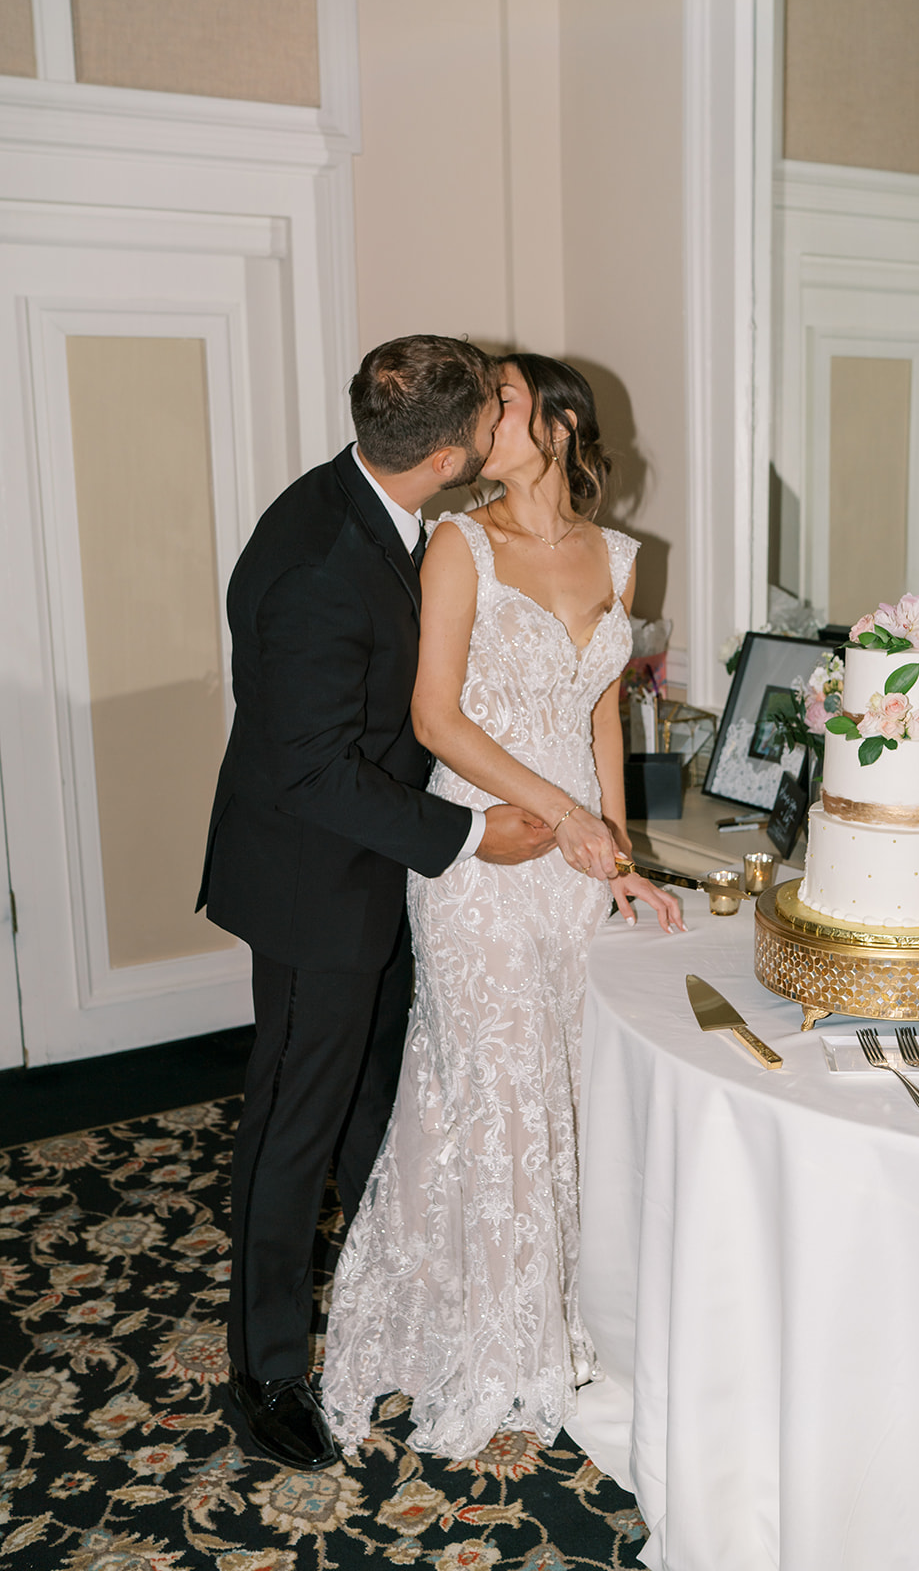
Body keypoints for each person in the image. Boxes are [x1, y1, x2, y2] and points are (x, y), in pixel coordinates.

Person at [196, 336, 594, 1473]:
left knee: (385, 1105)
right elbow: (316, 769)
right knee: (293, 1128)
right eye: (489, 418)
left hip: (391, 875)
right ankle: (264, 1371)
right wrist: (472, 832)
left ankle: (403, 1310)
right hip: (315, 881)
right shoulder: (323, 553)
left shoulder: (377, 503)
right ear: (452, 454)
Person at [322, 352, 683, 1461]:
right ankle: (483, 1335)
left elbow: (599, 724)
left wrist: (612, 851)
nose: (487, 418)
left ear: (560, 425)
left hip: (572, 868)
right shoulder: (457, 544)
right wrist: (556, 818)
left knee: (560, 1089)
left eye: (508, 402)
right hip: (479, 861)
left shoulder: (620, 560)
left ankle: (560, 1317)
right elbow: (435, 718)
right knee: (486, 1083)